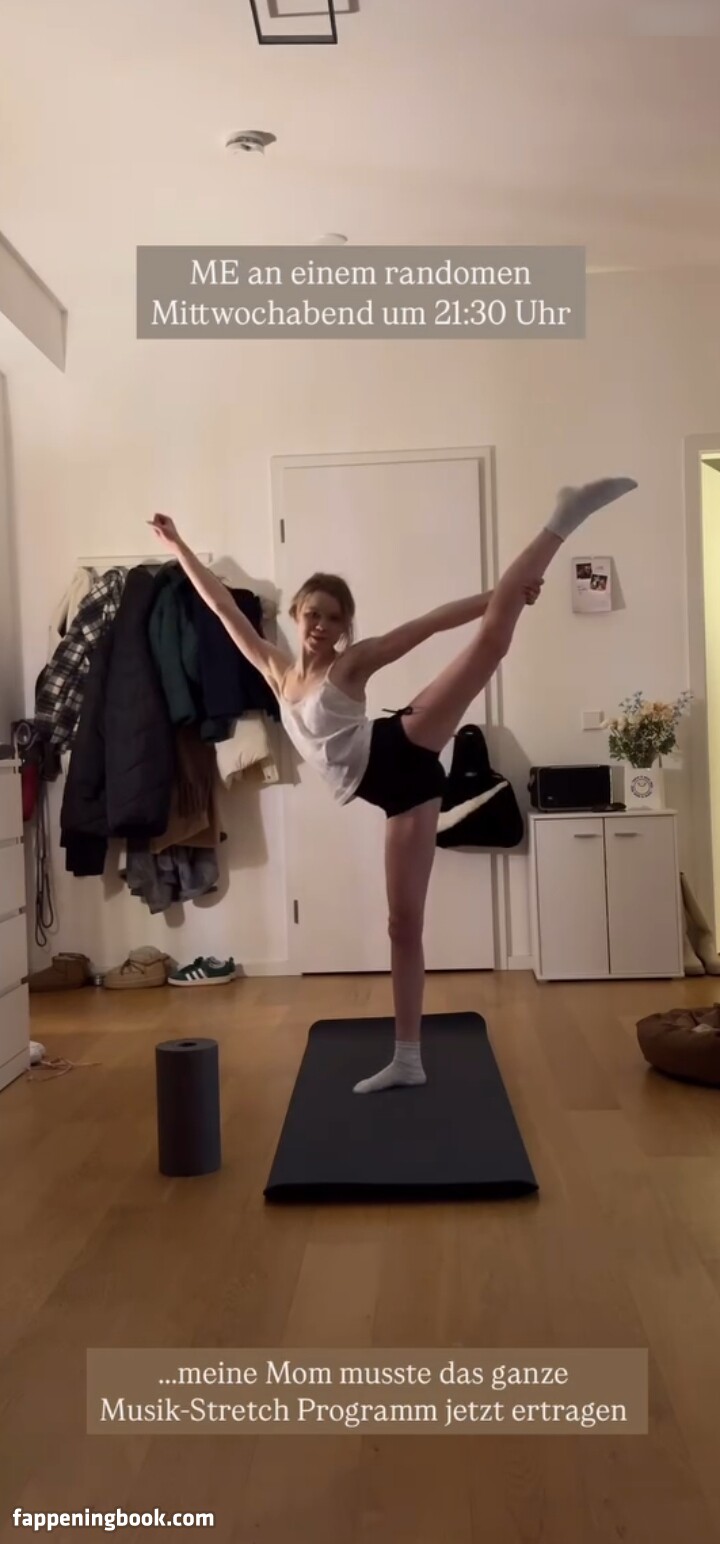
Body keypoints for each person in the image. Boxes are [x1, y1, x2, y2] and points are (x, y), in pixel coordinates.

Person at [151, 475, 637, 1093]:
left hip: (399, 752)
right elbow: (223, 607)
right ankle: (408, 1059)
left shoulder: (352, 663)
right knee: (402, 926)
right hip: (390, 788)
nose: (320, 624)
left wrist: (503, 594)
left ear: (344, 628)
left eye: (333, 617)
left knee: (491, 644)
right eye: (312, 613)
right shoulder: (276, 669)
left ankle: (563, 518)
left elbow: (428, 625)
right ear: (296, 615)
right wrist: (178, 547)